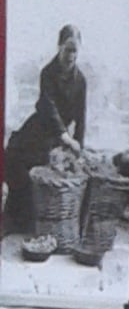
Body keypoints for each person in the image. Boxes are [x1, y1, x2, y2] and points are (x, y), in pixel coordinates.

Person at [4, 24, 87, 234]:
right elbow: (48, 108)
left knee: (48, 167)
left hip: (57, 136)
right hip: (40, 126)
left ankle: (33, 220)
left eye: (75, 50)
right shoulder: (48, 73)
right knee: (13, 153)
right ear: (59, 46)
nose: (71, 55)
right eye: (68, 49)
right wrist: (66, 138)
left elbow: (81, 117)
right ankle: (13, 217)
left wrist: (79, 148)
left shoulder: (81, 81)